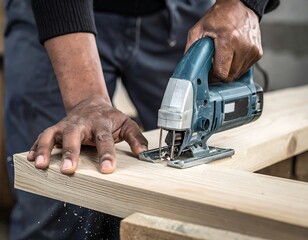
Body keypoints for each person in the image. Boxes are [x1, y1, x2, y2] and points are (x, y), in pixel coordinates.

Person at [4, 0, 279, 239]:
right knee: (54, 202)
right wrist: (86, 98)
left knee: (194, 205)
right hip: (59, 17)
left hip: (184, 14)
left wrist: (243, 4)